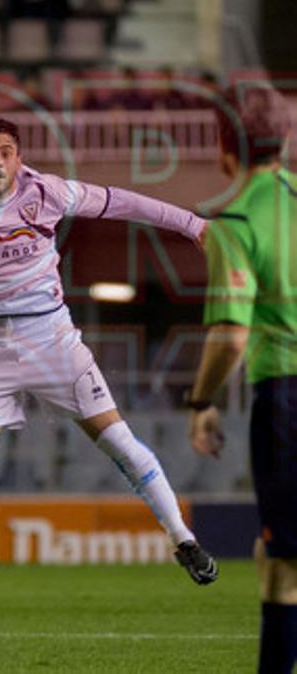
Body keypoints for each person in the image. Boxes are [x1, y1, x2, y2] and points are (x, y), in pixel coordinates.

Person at [0, 117, 218, 621]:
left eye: (6, 151)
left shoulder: (49, 191)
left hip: (54, 340)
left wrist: (192, 224)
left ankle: (184, 539)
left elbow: (122, 201)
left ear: (19, 157)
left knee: (118, 441)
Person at [185, 83, 296, 674]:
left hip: (286, 392)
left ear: (224, 147)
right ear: (286, 138)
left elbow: (230, 337)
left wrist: (200, 400)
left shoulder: (233, 219)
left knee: (281, 563)